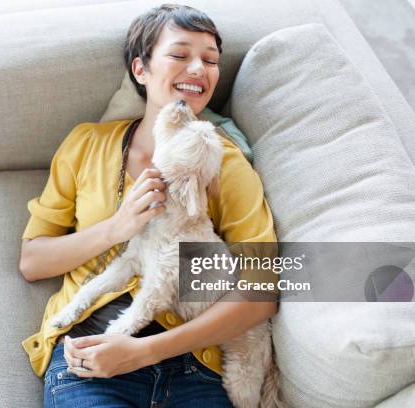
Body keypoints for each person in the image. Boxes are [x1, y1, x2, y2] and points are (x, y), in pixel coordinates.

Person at [19, 4, 279, 407]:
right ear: (141, 70)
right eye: (180, 54)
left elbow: (261, 289)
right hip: (92, 358)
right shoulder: (86, 143)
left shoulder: (222, 162)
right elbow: (33, 262)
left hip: (194, 365)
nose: (199, 69)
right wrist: (117, 227)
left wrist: (148, 351)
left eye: (211, 61)